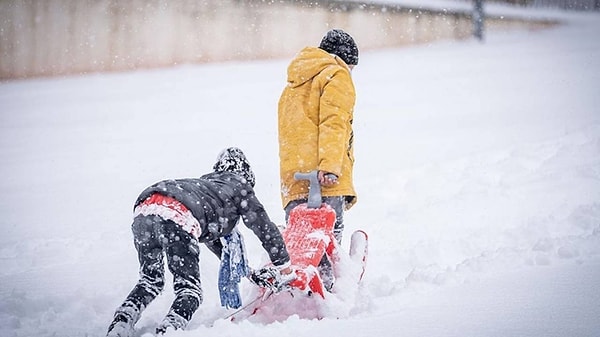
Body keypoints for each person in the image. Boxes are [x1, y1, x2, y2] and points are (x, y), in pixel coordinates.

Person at [106, 147, 292, 337]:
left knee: (150, 281)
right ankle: (167, 331)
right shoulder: (239, 185)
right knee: (189, 291)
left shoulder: (207, 189)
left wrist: (250, 273)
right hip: (177, 215)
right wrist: (284, 266)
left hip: (145, 208)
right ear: (246, 174)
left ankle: (121, 324)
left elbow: (217, 245)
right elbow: (264, 227)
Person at [277, 29, 359, 290]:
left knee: (302, 242)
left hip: (293, 177)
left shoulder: (294, 82)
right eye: (352, 67)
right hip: (324, 175)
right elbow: (334, 123)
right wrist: (330, 166)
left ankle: (301, 289)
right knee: (328, 237)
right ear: (343, 59)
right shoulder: (336, 74)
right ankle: (330, 289)